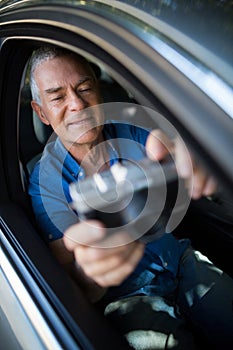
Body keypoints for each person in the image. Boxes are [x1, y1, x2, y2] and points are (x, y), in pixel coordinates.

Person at [28, 46, 233, 350]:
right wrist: (95, 273)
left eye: (85, 88)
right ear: (41, 112)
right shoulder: (44, 183)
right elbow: (75, 286)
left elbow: (172, 153)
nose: (77, 104)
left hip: (180, 260)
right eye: (58, 97)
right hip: (128, 298)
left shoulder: (132, 130)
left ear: (99, 91)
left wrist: (200, 154)